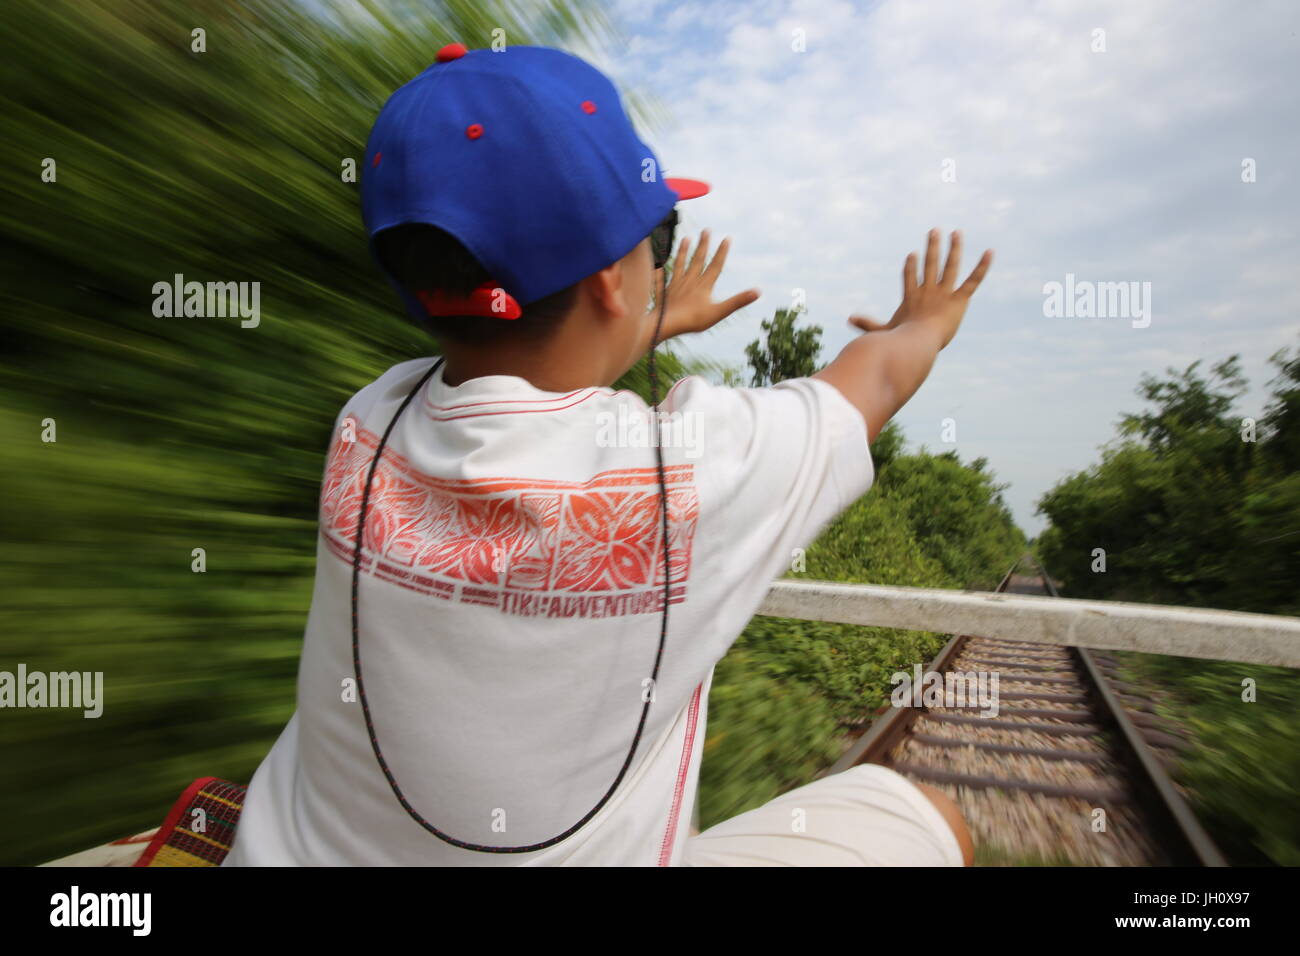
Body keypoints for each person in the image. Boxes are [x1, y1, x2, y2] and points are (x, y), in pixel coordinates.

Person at [223, 42, 988, 867]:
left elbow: (526, 387)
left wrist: (640, 319)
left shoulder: (368, 423)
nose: (658, 254)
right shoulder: (696, 466)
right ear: (610, 282)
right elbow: (871, 379)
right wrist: (928, 321)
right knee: (929, 816)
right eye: (656, 231)